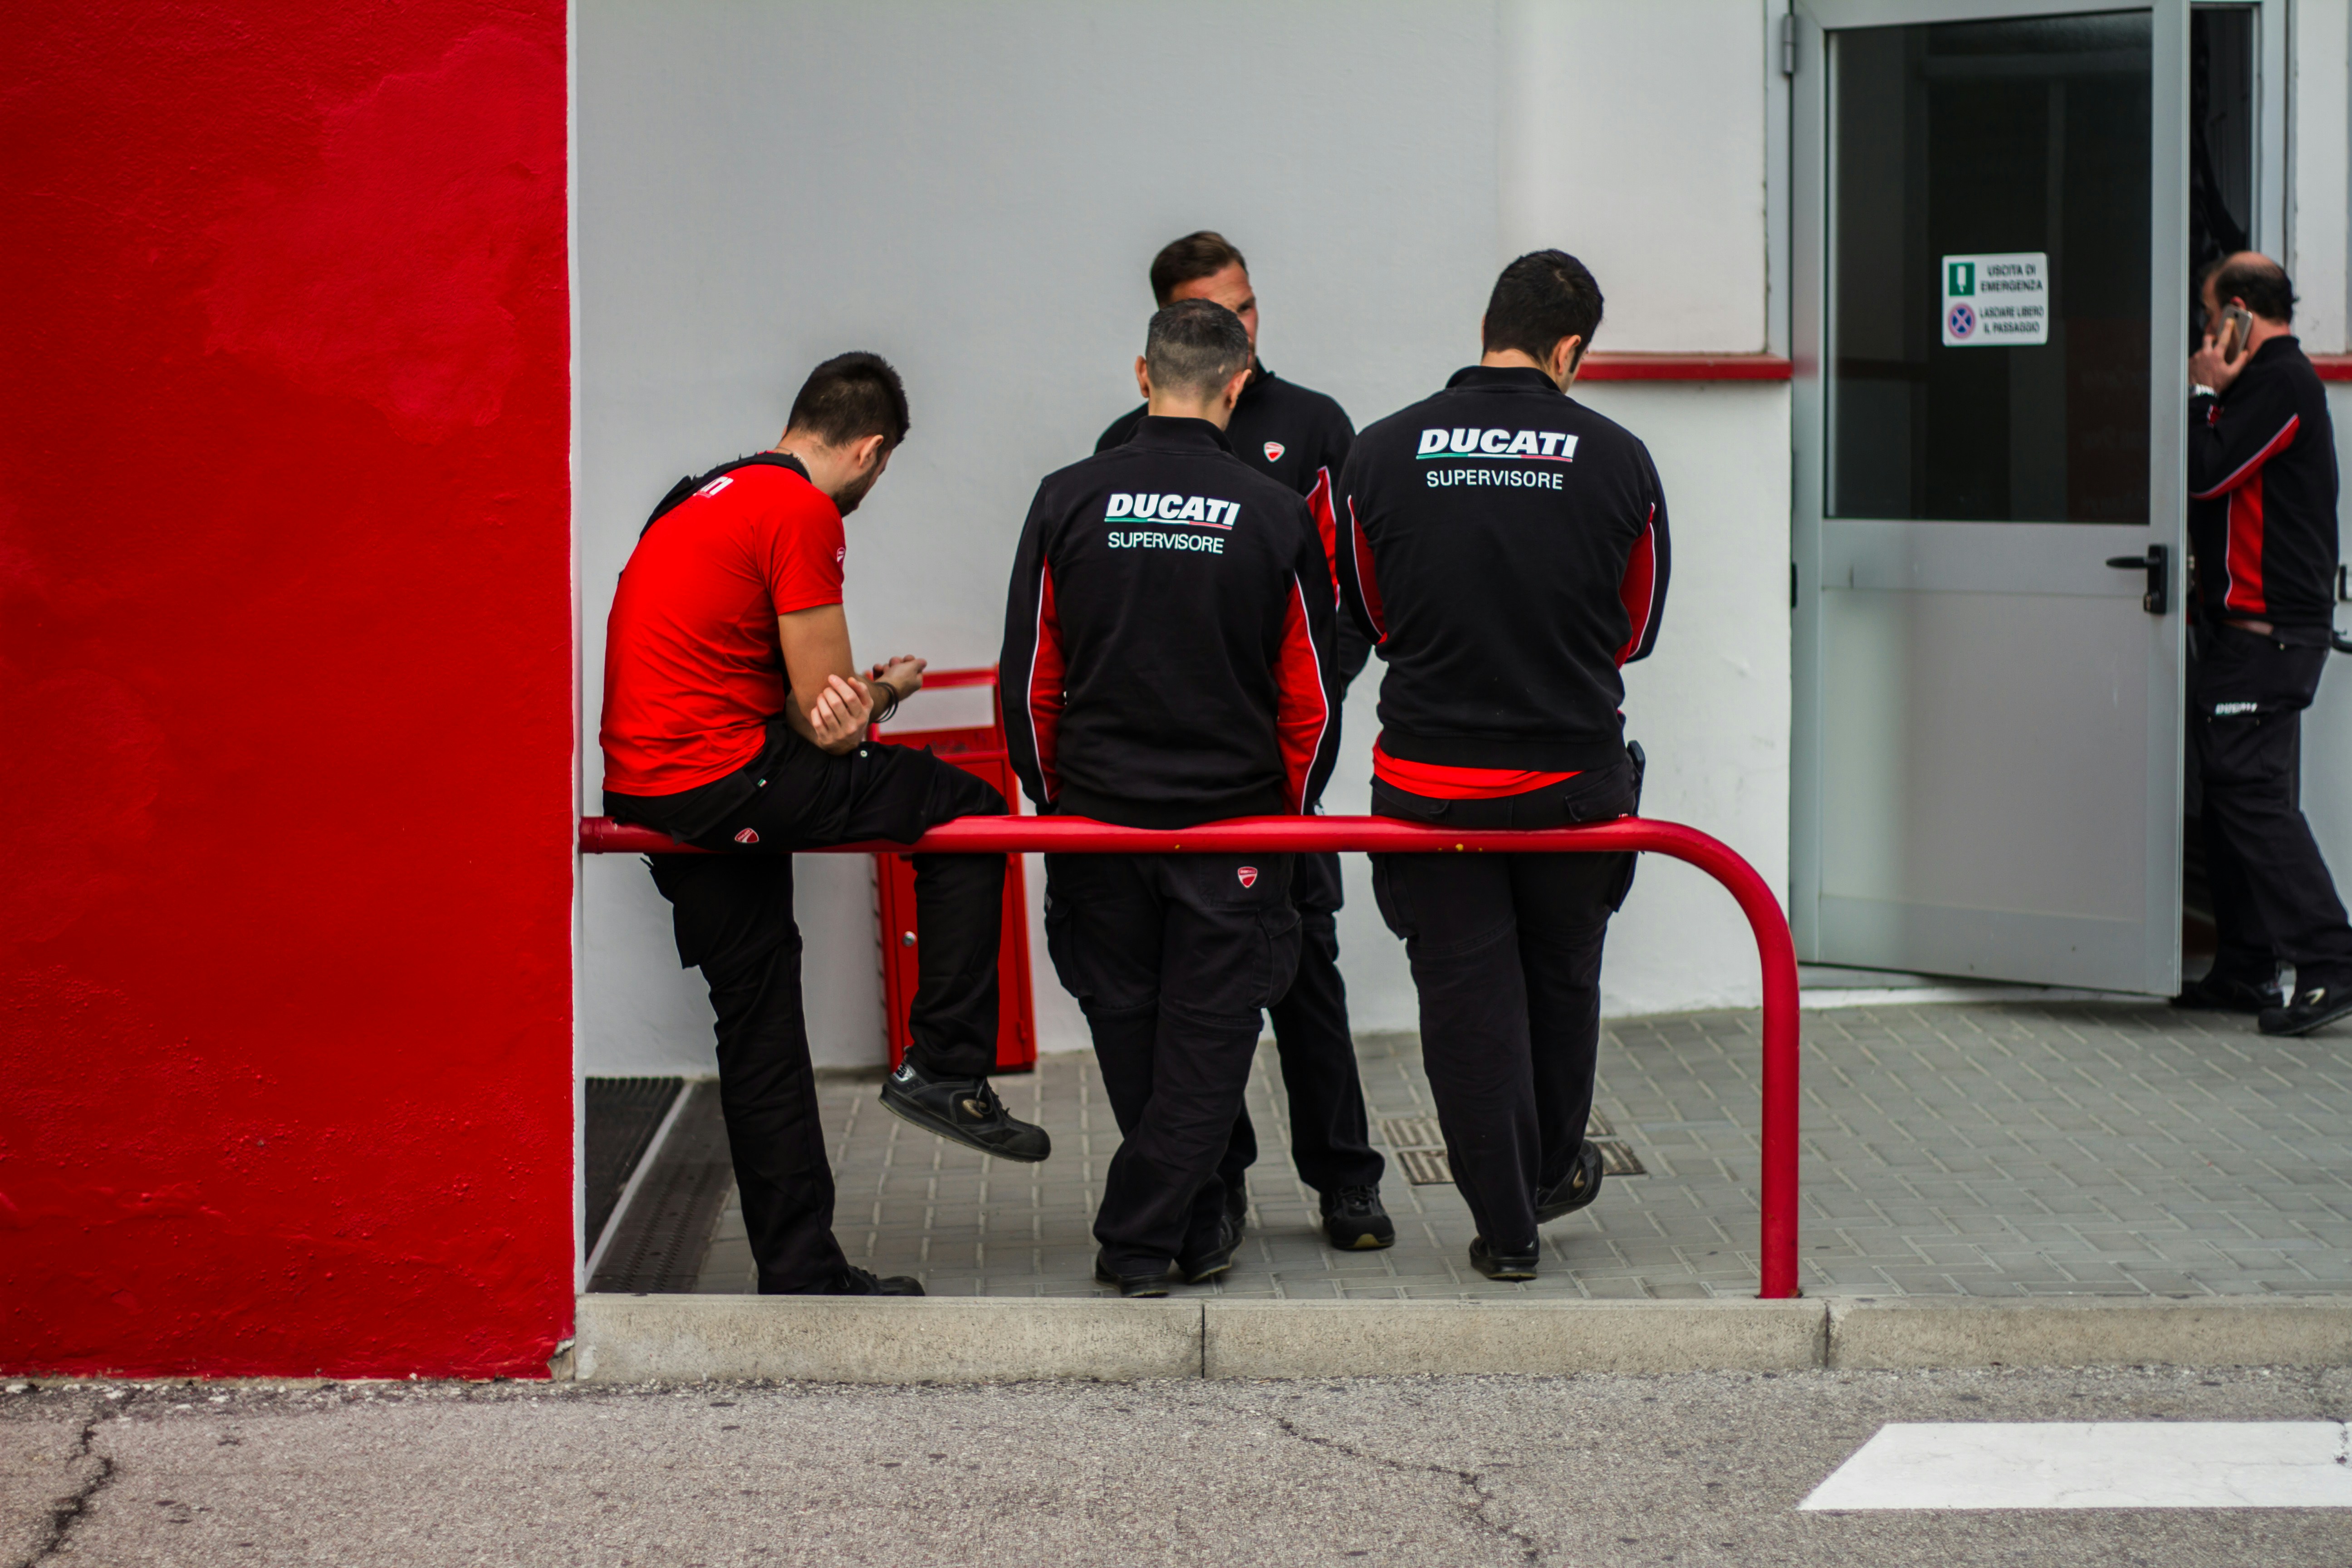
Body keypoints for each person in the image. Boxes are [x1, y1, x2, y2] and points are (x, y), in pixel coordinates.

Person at [599, 352, 1051, 1298]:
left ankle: (803, 1269)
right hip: (730, 779)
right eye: (880, 473)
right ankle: (946, 1066)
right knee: (972, 811)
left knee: (757, 1020)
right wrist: (888, 687)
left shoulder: (697, 495)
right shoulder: (802, 509)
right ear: (871, 451)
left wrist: (838, 703)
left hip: (648, 790)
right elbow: (826, 717)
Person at [1333, 251, 1669, 1281]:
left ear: (1490, 327)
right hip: (1573, 783)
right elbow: (1638, 626)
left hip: (1432, 786)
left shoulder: (1380, 454)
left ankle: (1506, 1230)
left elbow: (1368, 612)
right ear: (1568, 349)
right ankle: (1554, 1169)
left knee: (1466, 1007)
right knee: (1563, 983)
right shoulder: (1618, 459)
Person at [1003, 300, 1341, 1296]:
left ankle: (1176, 1229)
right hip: (1232, 825)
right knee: (1205, 1045)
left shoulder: (1066, 498)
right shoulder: (1276, 514)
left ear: (1142, 376)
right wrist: (1286, 814)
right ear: (1238, 388)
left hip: (1098, 826)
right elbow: (1310, 702)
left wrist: (1058, 798)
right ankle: (1149, 1238)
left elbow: (1027, 681)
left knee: (1135, 1035)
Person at [1095, 230, 1392, 1252]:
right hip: (1166, 792)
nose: (1243, 330)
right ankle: (1210, 1186)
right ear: (1168, 333)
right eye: (1220, 312)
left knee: (1308, 977)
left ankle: (1346, 1179)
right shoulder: (1118, 450)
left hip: (1274, 779)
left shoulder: (1313, 427)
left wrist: (1293, 723)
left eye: (1251, 305)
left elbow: (1346, 603)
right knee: (1182, 994)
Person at [2176, 253, 2352, 1037]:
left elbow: (2209, 475)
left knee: (2249, 794)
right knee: (2231, 795)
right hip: (2244, 637)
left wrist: (2202, 391)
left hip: (2270, 639)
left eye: (2210, 316)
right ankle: (2246, 968)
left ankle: (2330, 962)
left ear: (2239, 314)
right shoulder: (2264, 385)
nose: (2205, 332)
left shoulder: (2283, 381)